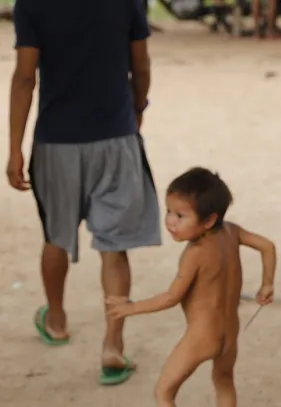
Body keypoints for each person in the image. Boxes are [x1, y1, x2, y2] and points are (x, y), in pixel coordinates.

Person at [7, 0, 161, 386]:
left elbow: (25, 78)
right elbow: (140, 65)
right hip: (115, 136)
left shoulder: (32, 5)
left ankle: (56, 320)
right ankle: (112, 345)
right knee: (114, 246)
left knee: (55, 236)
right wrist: (138, 108)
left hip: (56, 142)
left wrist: (14, 147)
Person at [107, 167, 277, 407]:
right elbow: (267, 246)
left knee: (164, 392)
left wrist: (132, 307)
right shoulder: (232, 232)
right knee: (224, 381)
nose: (170, 221)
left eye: (180, 216)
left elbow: (171, 297)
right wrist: (267, 284)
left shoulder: (195, 253)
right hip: (230, 334)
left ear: (209, 220)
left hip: (202, 336)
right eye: (169, 211)